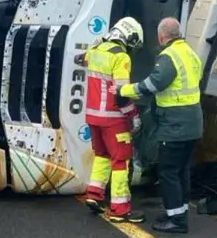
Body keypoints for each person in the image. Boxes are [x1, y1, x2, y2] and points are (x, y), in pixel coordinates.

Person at [115, 17, 203, 234]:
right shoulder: (191, 54)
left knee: (168, 172)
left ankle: (178, 222)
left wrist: (122, 90)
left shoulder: (168, 57)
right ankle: (178, 213)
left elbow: (152, 84)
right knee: (181, 170)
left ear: (161, 36)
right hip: (193, 124)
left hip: (174, 125)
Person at [75, 17, 146, 224]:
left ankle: (94, 195)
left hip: (93, 117)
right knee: (120, 161)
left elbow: (80, 58)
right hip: (113, 119)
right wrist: (133, 115)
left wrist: (96, 43)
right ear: (129, 36)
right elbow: (121, 93)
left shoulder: (96, 51)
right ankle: (120, 209)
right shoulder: (121, 57)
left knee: (102, 155)